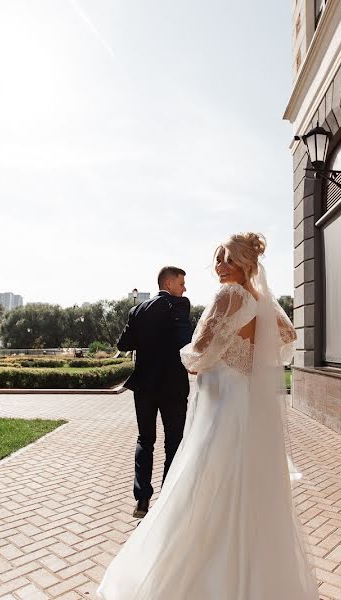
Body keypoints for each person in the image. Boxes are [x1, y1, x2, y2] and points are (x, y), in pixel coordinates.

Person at [98, 233, 319, 600]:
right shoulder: (262, 300)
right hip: (246, 401)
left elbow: (198, 351)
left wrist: (204, 361)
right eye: (217, 259)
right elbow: (288, 334)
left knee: (204, 477)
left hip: (221, 399)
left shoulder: (229, 295)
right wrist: (249, 354)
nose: (219, 267)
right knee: (243, 479)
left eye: (227, 260)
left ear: (244, 264)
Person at [116, 266, 192, 518]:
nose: (184, 288)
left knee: (144, 440)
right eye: (181, 283)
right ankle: (167, 499)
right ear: (168, 283)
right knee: (174, 442)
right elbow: (186, 340)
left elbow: (123, 344)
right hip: (173, 386)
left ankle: (142, 501)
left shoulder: (137, 310)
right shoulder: (181, 305)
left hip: (145, 387)